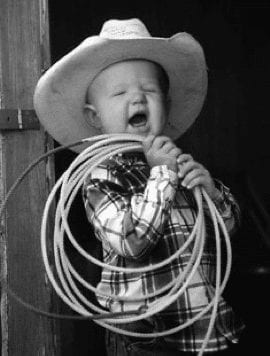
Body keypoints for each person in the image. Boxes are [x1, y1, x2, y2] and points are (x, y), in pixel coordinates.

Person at [34, 18, 245, 355]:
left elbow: (227, 232)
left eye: (149, 90)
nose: (137, 98)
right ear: (94, 117)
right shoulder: (102, 177)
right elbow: (132, 243)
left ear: (167, 104)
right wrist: (162, 176)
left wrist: (212, 193)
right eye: (120, 93)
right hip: (146, 337)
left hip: (204, 326)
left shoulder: (178, 165)